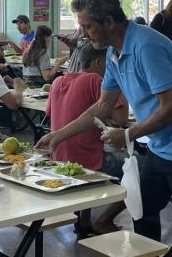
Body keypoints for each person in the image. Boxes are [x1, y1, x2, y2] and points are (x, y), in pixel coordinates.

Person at [40, 0, 172, 255]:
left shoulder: (146, 46)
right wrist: (58, 135)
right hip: (161, 148)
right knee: (141, 208)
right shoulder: (114, 54)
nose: (84, 35)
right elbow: (102, 106)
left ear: (109, 21)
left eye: (87, 27)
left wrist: (127, 135)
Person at [38, 44, 130, 235]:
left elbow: (51, 112)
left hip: (59, 158)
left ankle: (84, 221)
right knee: (141, 173)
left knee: (90, 147)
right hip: (87, 162)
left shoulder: (57, 82)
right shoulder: (95, 79)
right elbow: (121, 119)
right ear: (98, 63)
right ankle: (104, 220)